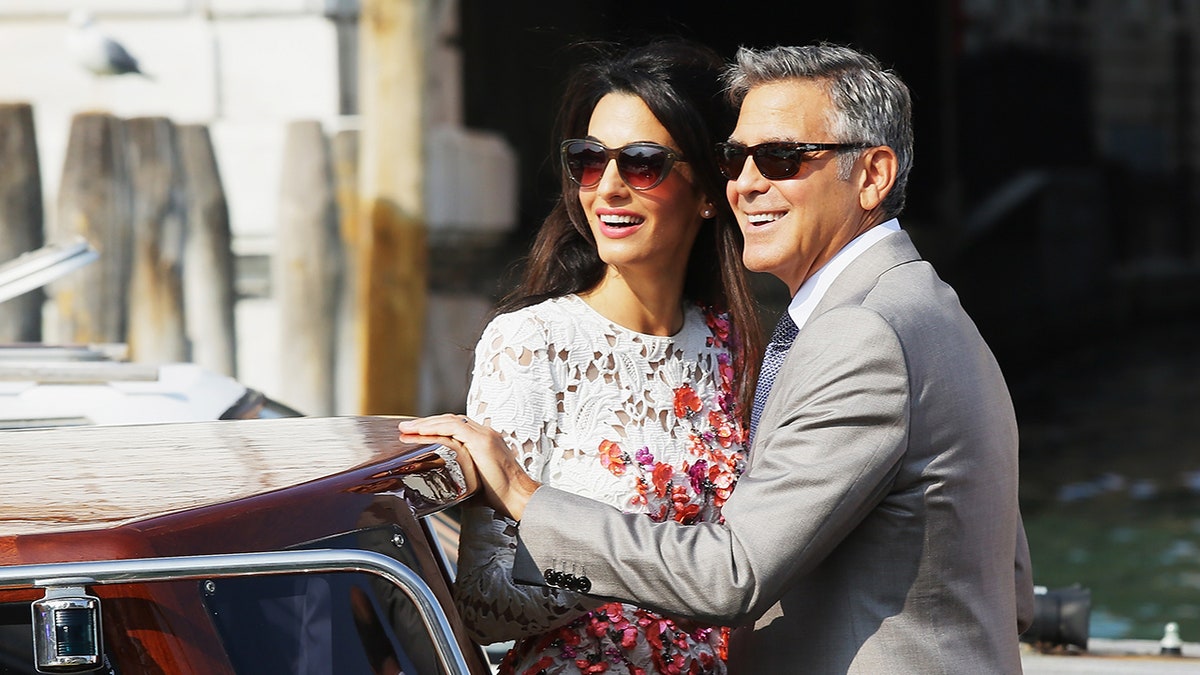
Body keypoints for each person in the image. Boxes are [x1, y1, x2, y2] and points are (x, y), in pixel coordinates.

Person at [401, 43, 1035, 674]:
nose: (750, 182)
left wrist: (526, 496)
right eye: (738, 157)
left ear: (872, 175)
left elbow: (732, 575)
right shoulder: (928, 311)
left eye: (783, 157)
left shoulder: (847, 335)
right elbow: (1013, 585)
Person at [438, 40, 763, 675]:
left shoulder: (738, 347)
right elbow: (482, 604)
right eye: (588, 162)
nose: (608, 188)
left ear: (706, 190)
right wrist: (632, 557)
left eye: (642, 163)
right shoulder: (530, 343)